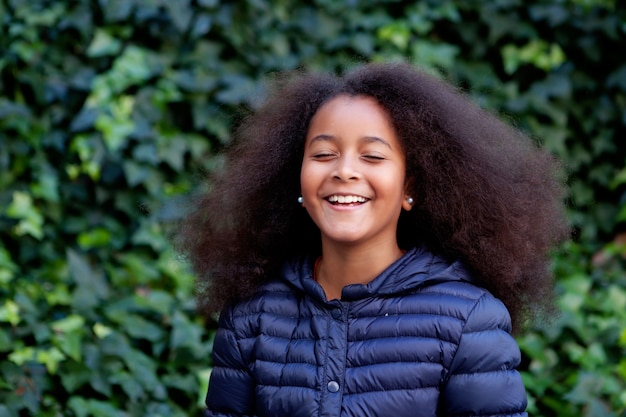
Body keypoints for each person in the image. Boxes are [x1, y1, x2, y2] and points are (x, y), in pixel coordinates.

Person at [177, 62, 569, 417]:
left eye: (373, 157)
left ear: (409, 186)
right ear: (294, 178)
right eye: (324, 153)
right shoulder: (252, 317)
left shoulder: (468, 321)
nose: (344, 170)